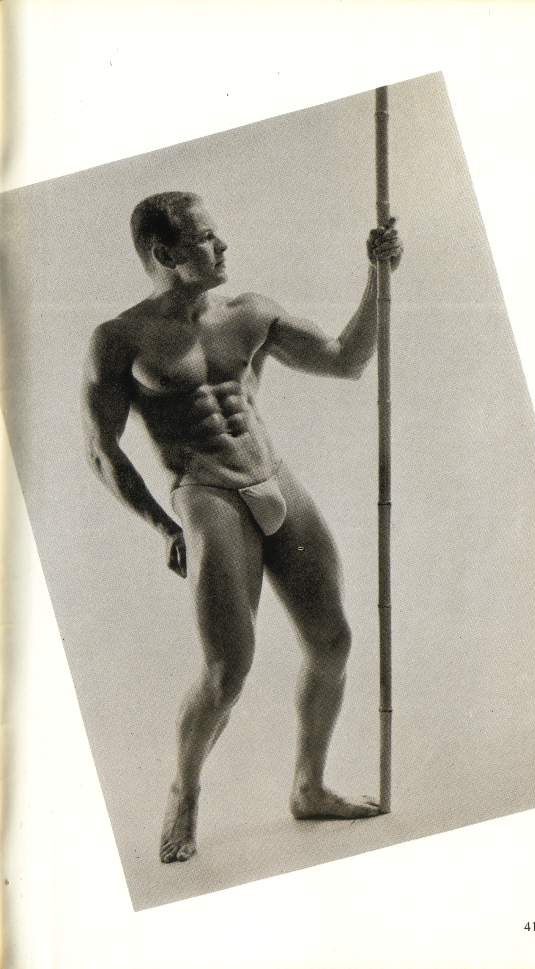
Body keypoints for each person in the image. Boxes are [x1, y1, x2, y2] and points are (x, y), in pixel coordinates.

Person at [82, 191, 403, 863]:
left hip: (271, 475)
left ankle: (308, 787)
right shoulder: (119, 340)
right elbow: (102, 452)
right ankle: (185, 789)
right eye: (205, 237)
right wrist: (164, 525)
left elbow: (346, 358)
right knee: (227, 672)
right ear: (166, 253)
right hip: (206, 493)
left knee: (333, 640)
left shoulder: (250, 312)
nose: (222, 244)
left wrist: (378, 276)